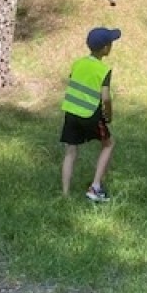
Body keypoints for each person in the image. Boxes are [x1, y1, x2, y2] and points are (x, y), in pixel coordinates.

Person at [60, 27, 122, 201]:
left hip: (71, 112)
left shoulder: (78, 63)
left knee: (70, 151)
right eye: (110, 43)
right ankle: (95, 188)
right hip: (90, 114)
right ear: (105, 48)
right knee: (108, 144)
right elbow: (105, 98)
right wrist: (109, 115)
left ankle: (65, 194)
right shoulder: (103, 69)